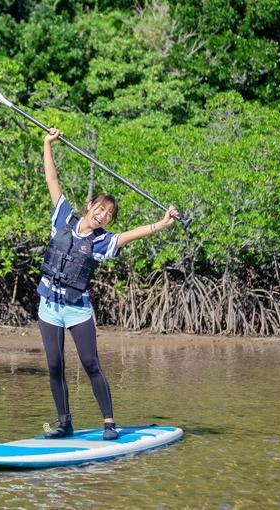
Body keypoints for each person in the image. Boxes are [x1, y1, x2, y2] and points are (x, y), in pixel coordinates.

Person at [38, 127, 179, 441]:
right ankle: (64, 423)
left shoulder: (103, 242)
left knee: (90, 363)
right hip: (48, 308)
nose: (103, 214)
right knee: (54, 365)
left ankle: (109, 423)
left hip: (77, 310)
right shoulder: (63, 218)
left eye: (109, 214)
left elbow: (133, 234)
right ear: (90, 206)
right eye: (100, 208)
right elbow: (51, 180)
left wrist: (163, 222)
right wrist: (48, 144)